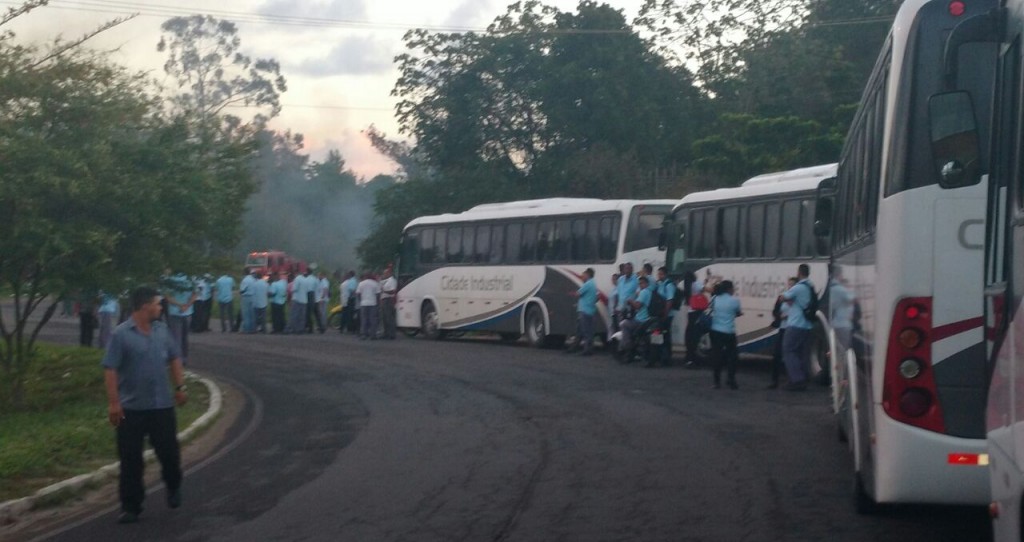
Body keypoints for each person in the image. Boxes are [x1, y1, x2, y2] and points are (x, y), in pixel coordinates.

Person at [102, 286, 187, 524]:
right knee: (130, 460)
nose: (161, 307)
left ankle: (173, 485)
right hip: (131, 408)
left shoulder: (162, 330)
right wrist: (113, 402)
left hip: (162, 406)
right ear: (144, 306)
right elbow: (110, 368)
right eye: (157, 304)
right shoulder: (121, 334)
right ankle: (131, 506)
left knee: (169, 454)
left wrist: (180, 387)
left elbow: (174, 357)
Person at [780, 264, 816, 391]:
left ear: (799, 272)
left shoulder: (799, 287)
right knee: (801, 353)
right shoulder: (810, 286)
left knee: (788, 351)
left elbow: (783, 297)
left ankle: (797, 380)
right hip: (807, 325)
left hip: (796, 324)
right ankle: (802, 377)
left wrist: (784, 298)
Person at [709, 280, 742, 389]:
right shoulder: (735, 301)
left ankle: (716, 382)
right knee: (732, 357)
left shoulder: (714, 298)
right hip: (729, 332)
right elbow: (738, 312)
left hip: (715, 330)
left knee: (716, 356)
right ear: (729, 289)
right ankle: (731, 379)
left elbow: (711, 310)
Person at [768, 277, 797, 389]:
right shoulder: (782, 297)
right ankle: (774, 380)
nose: (790, 287)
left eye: (793, 285)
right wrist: (780, 316)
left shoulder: (797, 299)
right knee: (777, 355)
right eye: (789, 285)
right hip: (783, 327)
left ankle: (792, 379)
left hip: (792, 327)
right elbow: (775, 311)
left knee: (790, 355)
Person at [163, 272, 196, 365]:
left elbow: (167, 296)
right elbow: (195, 294)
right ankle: (183, 358)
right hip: (187, 311)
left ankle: (176, 359)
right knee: (185, 337)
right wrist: (187, 305)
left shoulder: (170, 280)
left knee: (176, 337)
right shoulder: (191, 279)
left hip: (174, 311)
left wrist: (179, 305)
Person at [618, 275, 652, 362]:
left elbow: (637, 306)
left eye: (642, 283)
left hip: (641, 320)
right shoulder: (650, 292)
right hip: (648, 319)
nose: (641, 285)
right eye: (639, 283)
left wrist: (630, 301)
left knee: (624, 324)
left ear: (647, 283)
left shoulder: (644, 292)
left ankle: (627, 350)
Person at [568, 268, 598, 356]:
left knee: (586, 331)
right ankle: (575, 347)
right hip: (589, 310)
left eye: (583, 275)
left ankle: (587, 350)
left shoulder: (588, 284)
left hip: (585, 311)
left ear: (588, 274)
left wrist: (571, 293)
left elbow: (578, 293)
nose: (582, 277)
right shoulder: (593, 283)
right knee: (580, 330)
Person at [654, 266, 677, 367]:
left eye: (661, 274)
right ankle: (658, 355)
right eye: (658, 274)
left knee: (665, 336)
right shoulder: (659, 284)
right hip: (660, 314)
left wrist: (665, 314)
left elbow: (669, 300)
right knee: (658, 334)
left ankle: (666, 357)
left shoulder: (669, 285)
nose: (659, 276)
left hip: (666, 315)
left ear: (666, 274)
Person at [684, 277, 710, 367]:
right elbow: (708, 290)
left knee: (690, 336)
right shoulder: (696, 284)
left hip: (690, 312)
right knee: (696, 336)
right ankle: (694, 359)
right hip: (697, 312)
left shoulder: (686, 285)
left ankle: (689, 358)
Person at [356, 272, 381, 340]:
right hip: (373, 303)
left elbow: (358, 294)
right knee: (373, 320)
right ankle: (373, 335)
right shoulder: (375, 283)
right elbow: (378, 295)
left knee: (364, 319)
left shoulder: (361, 283)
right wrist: (378, 303)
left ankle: (364, 334)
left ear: (365, 276)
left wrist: (361, 300)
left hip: (364, 303)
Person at [288, 269, 310, 334]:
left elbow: (294, 289)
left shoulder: (297, 279)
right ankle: (301, 329)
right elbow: (308, 290)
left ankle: (293, 329)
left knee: (294, 315)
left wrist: (290, 290)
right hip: (304, 300)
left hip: (297, 299)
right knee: (302, 316)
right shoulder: (306, 280)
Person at [379, 267, 398, 340]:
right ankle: (386, 333)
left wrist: (384, 291)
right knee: (385, 318)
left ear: (389, 273)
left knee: (389, 317)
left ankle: (391, 334)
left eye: (385, 273)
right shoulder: (386, 281)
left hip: (388, 300)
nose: (384, 274)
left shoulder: (392, 281)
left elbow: (393, 291)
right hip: (385, 299)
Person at [239, 269, 256, 333]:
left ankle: (247, 329)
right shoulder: (253, 279)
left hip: (246, 297)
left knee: (246, 314)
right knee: (252, 314)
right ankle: (252, 329)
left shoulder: (245, 280)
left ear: (244, 272)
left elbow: (242, 290)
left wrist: (240, 292)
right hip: (253, 297)